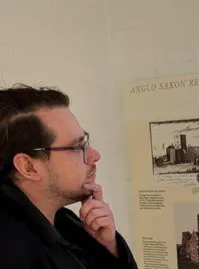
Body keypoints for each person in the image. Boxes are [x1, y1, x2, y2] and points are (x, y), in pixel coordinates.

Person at [0, 84, 138, 269]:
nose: (94, 155)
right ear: (29, 167)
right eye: (77, 147)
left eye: (86, 141)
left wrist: (107, 247)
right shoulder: (11, 250)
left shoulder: (64, 220)